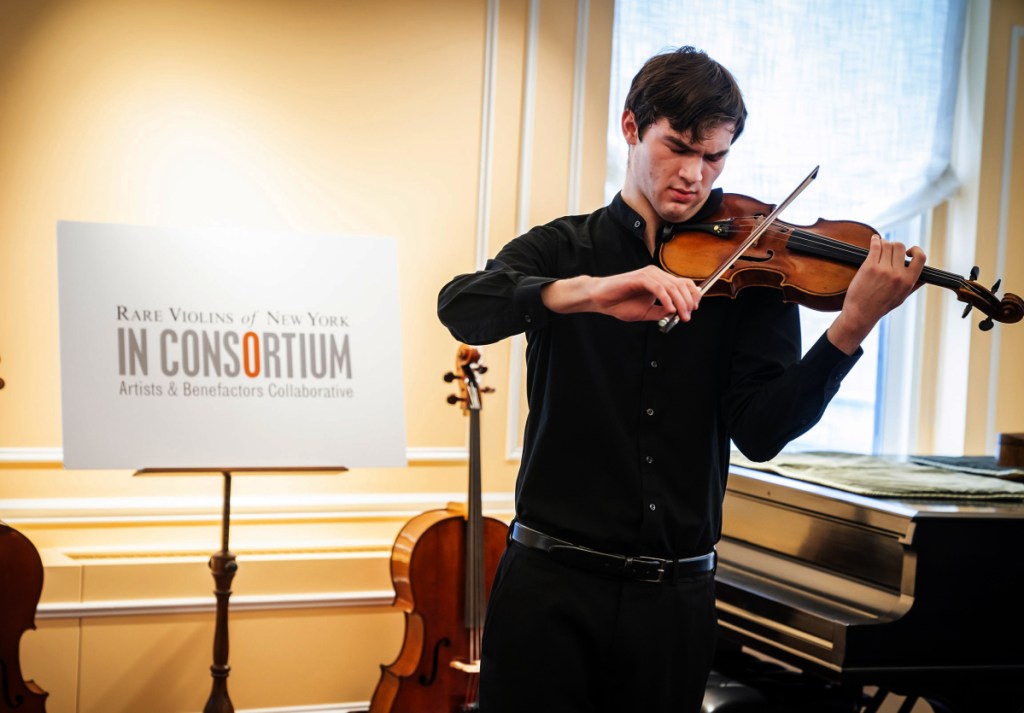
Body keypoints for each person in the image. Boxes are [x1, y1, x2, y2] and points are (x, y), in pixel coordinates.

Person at [437, 46, 925, 713]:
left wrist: (852, 326)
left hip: (673, 605)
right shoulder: (567, 249)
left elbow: (761, 432)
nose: (695, 175)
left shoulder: (752, 268)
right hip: (550, 589)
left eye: (715, 156)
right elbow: (461, 305)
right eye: (679, 148)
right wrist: (588, 292)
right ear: (631, 127)